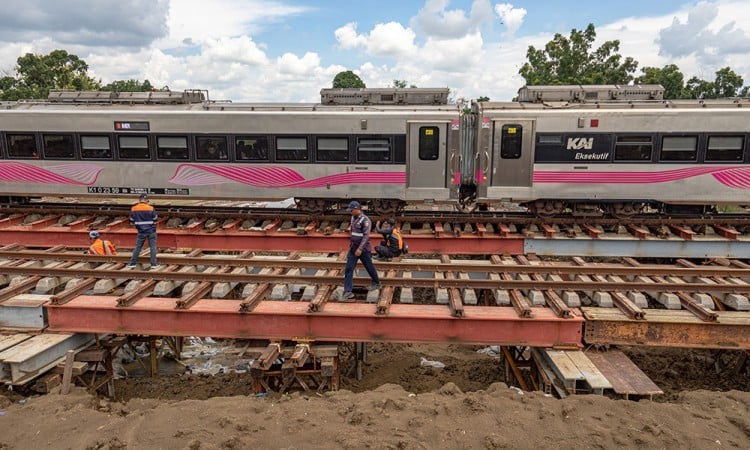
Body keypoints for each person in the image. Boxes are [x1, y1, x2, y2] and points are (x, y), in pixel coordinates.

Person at [341, 200, 381, 301]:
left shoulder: (365, 220)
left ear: (356, 209)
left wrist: (360, 248)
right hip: (353, 248)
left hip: (363, 249)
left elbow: (366, 236)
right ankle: (348, 291)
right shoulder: (353, 217)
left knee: (369, 266)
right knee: (349, 269)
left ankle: (376, 283)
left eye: (351, 210)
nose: (350, 212)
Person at [127, 193, 159, 269]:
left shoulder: (134, 208)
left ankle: (132, 263)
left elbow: (131, 221)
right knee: (153, 247)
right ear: (147, 200)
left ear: (139, 200)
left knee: (138, 247)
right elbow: (155, 219)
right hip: (151, 230)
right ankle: (154, 264)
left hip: (141, 231)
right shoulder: (151, 208)